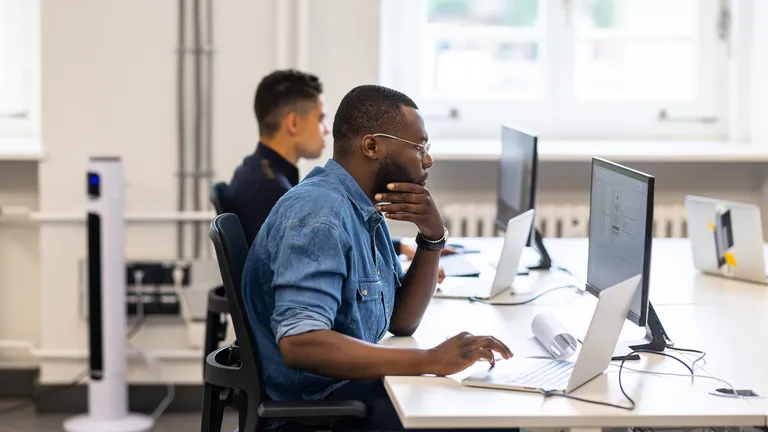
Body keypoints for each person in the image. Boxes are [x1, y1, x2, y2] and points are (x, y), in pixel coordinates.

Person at [242, 85, 514, 431]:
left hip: (348, 394)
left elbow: (401, 320)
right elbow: (302, 343)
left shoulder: (363, 208)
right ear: (372, 146)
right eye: (420, 147)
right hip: (321, 411)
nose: (428, 160)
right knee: (495, 420)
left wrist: (431, 237)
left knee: (490, 408)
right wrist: (430, 359)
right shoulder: (320, 215)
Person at [223, 70, 448, 274]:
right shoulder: (274, 191)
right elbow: (306, 253)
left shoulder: (260, 173)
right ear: (293, 123)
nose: (327, 128)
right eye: (320, 118)